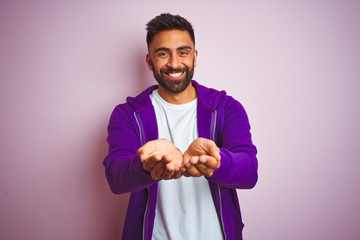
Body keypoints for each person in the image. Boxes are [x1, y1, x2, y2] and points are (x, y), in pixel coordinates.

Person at [103, 13, 258, 240]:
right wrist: (147, 165)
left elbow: (249, 172)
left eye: (183, 52)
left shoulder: (226, 108)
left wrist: (218, 163)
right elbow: (116, 178)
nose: (174, 63)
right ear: (149, 61)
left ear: (195, 57)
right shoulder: (127, 114)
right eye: (163, 53)